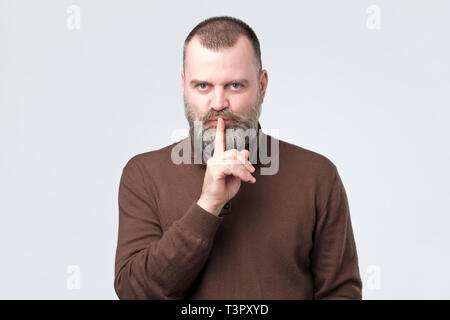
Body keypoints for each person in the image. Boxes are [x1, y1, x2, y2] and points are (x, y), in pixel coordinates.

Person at [114, 16, 363, 300]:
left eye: (234, 85)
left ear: (262, 85)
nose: (218, 104)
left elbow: (341, 293)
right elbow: (134, 293)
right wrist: (208, 205)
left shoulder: (317, 175)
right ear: (184, 86)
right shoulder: (144, 174)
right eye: (203, 86)